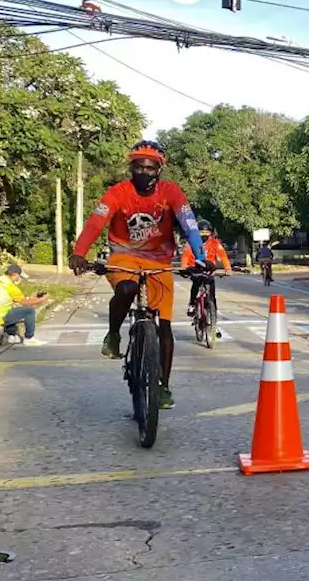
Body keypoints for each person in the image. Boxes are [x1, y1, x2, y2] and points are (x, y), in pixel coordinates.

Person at [68, 140, 208, 410]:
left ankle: (163, 386)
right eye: (138, 167)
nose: (144, 172)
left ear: (159, 170)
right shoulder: (118, 192)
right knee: (126, 290)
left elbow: (189, 223)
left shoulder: (172, 193)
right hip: (124, 254)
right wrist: (79, 251)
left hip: (159, 259)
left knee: (165, 327)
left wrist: (201, 258)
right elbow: (96, 222)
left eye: (150, 167)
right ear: (131, 168)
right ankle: (112, 335)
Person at [0, 264, 48, 346]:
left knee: (10, 309)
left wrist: (30, 297)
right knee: (29, 310)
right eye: (19, 276)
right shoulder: (10, 286)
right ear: (15, 274)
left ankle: (12, 336)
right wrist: (41, 300)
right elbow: (24, 302)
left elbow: (6, 299)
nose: (19, 278)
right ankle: (29, 338)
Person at [183, 220, 231, 318]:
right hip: (195, 269)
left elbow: (223, 255)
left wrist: (228, 268)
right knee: (195, 285)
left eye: (207, 232)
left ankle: (214, 320)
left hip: (209, 271)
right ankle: (192, 304)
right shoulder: (192, 243)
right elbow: (185, 256)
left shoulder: (215, 243)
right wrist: (184, 267)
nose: (204, 235)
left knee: (212, 296)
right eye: (201, 232)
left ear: (211, 233)